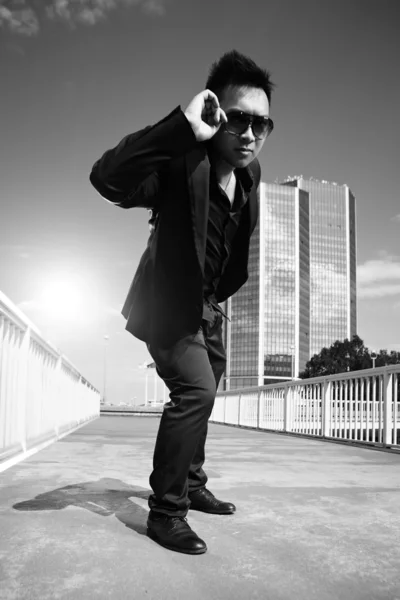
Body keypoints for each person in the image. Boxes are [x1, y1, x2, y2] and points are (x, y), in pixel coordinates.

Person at [89, 50, 275, 555]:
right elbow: (107, 178)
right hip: (167, 304)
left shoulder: (250, 180)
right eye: (239, 119)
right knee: (194, 390)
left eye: (262, 123)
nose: (250, 133)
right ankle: (166, 511)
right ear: (215, 113)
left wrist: (217, 301)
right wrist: (180, 127)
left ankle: (191, 484)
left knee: (208, 383)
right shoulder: (181, 166)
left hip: (208, 306)